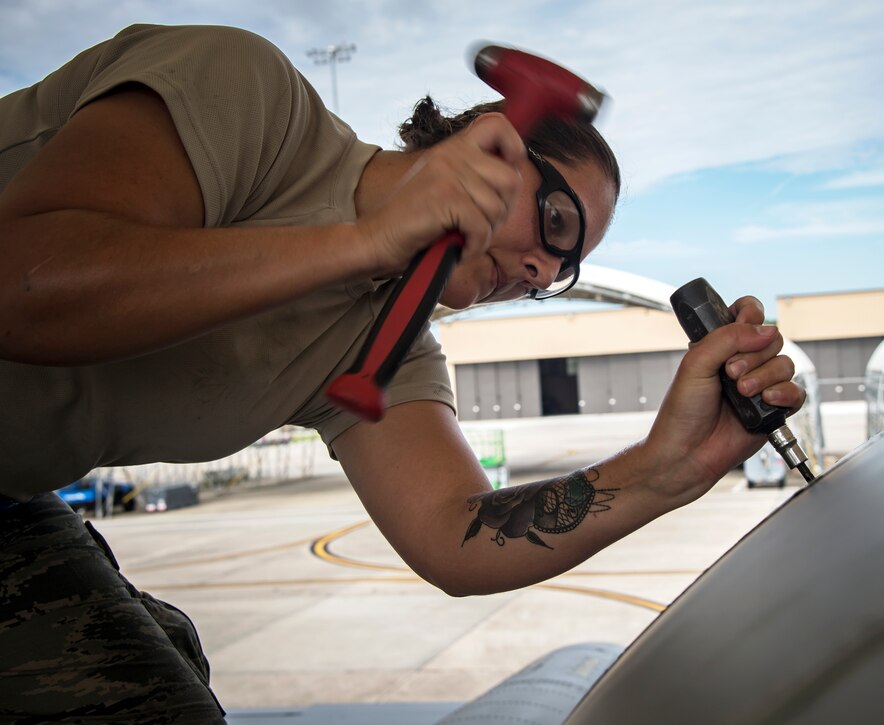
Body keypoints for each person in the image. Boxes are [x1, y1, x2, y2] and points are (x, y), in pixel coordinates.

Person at [0, 24, 805, 723]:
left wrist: (668, 467)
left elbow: (455, 535)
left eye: (563, 265)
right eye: (553, 221)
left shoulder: (391, 345)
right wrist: (366, 242)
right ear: (488, 142)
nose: (538, 267)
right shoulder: (248, 94)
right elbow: (22, 284)